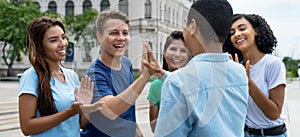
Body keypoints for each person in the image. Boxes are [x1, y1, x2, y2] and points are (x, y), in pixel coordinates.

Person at [145, 0, 249, 136]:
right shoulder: (239, 72)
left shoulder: (178, 82)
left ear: (193, 26)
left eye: (185, 24)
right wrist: (161, 72)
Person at [18, 17, 103, 137]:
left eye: (63, 37)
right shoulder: (31, 77)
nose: (62, 44)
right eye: (53, 40)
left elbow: (80, 124)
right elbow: (27, 127)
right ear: (39, 46)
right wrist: (69, 113)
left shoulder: (71, 76)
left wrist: (85, 109)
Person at [80, 9, 153, 137]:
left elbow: (127, 102)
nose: (121, 38)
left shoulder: (126, 63)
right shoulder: (95, 74)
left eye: (125, 33)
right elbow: (110, 111)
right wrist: (143, 77)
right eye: (114, 33)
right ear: (99, 36)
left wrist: (135, 129)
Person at [223, 14, 288, 137]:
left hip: (271, 134)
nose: (236, 34)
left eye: (242, 29)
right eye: (232, 33)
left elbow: (274, 113)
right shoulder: (236, 67)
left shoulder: (272, 64)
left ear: (256, 31)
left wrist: (248, 82)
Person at [147, 31, 191, 133]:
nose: (177, 54)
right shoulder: (156, 86)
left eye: (183, 51)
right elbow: (154, 127)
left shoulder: (194, 82)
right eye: (173, 49)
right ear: (164, 52)